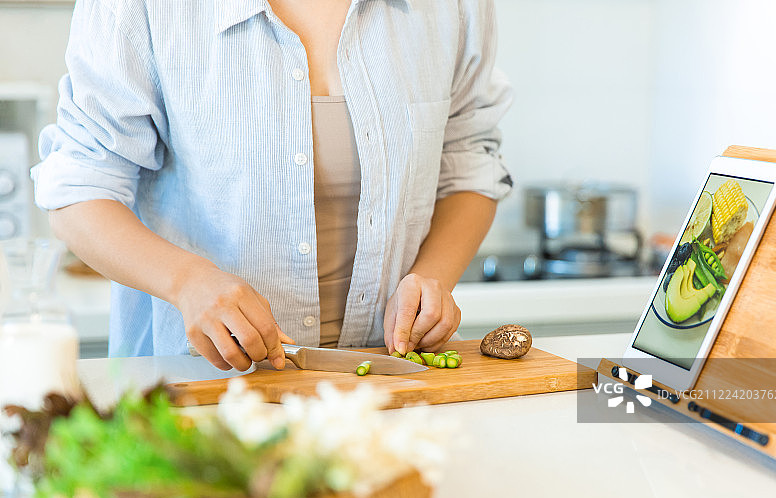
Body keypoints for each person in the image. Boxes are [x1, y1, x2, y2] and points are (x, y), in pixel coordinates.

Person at [32, 0, 513, 371]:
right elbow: (79, 189)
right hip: (199, 390)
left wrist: (433, 276)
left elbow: (470, 160)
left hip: (390, 391)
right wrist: (187, 282)